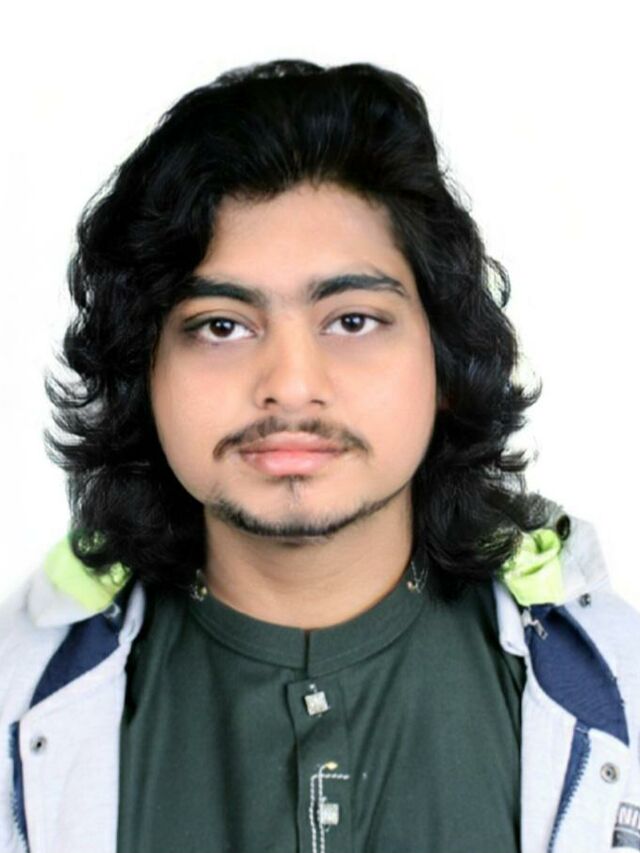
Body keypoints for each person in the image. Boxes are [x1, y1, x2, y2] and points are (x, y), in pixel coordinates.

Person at [1, 58, 638, 853]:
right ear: (143, 372)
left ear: (444, 361)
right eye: (222, 326)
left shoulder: (620, 687)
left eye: (352, 320)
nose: (292, 385)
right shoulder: (19, 689)